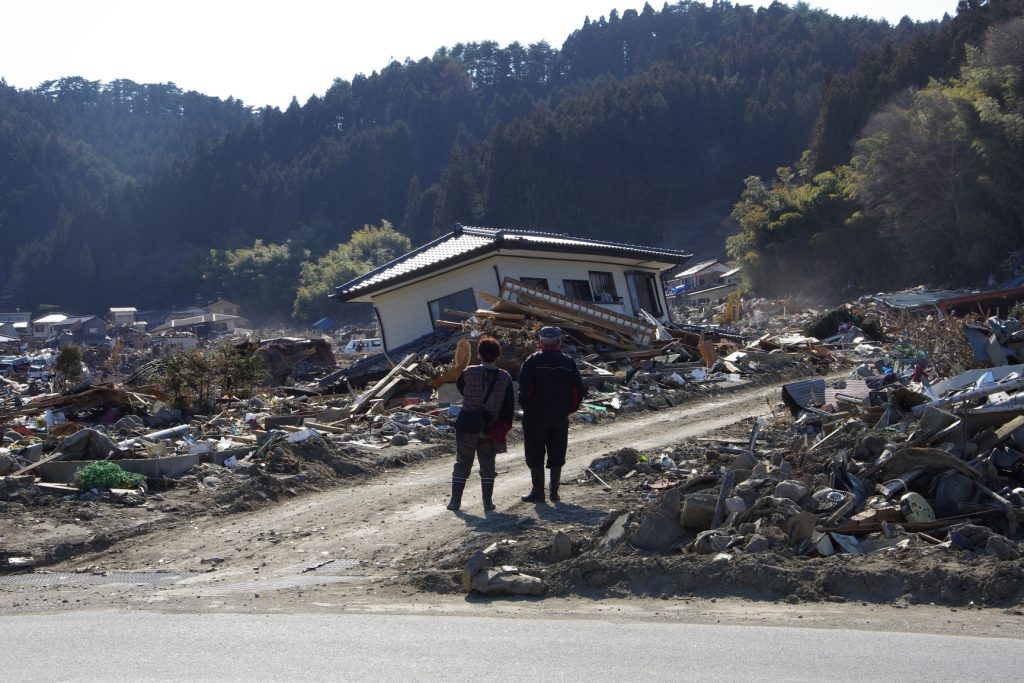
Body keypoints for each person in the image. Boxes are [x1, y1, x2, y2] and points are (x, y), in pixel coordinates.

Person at [517, 326, 585, 503]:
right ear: (559, 341)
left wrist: (527, 406)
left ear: (541, 342)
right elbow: (579, 390)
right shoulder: (568, 362)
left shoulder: (532, 361)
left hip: (534, 416)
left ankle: (538, 492)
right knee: (557, 451)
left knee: (534, 451)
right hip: (559, 415)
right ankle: (554, 493)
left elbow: (524, 390)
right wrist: (568, 409)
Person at [447, 336, 514, 512]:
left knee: (462, 463)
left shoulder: (468, 372)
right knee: (488, 466)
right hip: (489, 429)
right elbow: (508, 409)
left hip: (468, 425)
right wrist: (502, 428)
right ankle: (487, 503)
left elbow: (462, 388)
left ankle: (455, 501)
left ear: (479, 354)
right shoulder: (505, 378)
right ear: (498, 355)